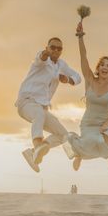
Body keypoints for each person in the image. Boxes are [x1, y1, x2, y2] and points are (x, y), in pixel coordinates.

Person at [65, 22, 108, 172]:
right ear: (98, 68)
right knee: (90, 142)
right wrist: (80, 37)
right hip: (89, 123)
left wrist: (107, 123)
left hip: (105, 123)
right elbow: (83, 57)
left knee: (107, 148)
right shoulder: (89, 80)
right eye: (102, 65)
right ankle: (79, 154)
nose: (105, 67)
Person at [16, 37, 81, 172]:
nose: (56, 50)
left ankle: (33, 153)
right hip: (26, 102)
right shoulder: (41, 61)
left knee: (64, 135)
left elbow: (78, 77)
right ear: (47, 47)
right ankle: (38, 143)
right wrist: (46, 53)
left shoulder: (62, 65)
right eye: (53, 47)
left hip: (42, 107)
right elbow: (41, 57)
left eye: (59, 48)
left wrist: (68, 79)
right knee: (38, 114)